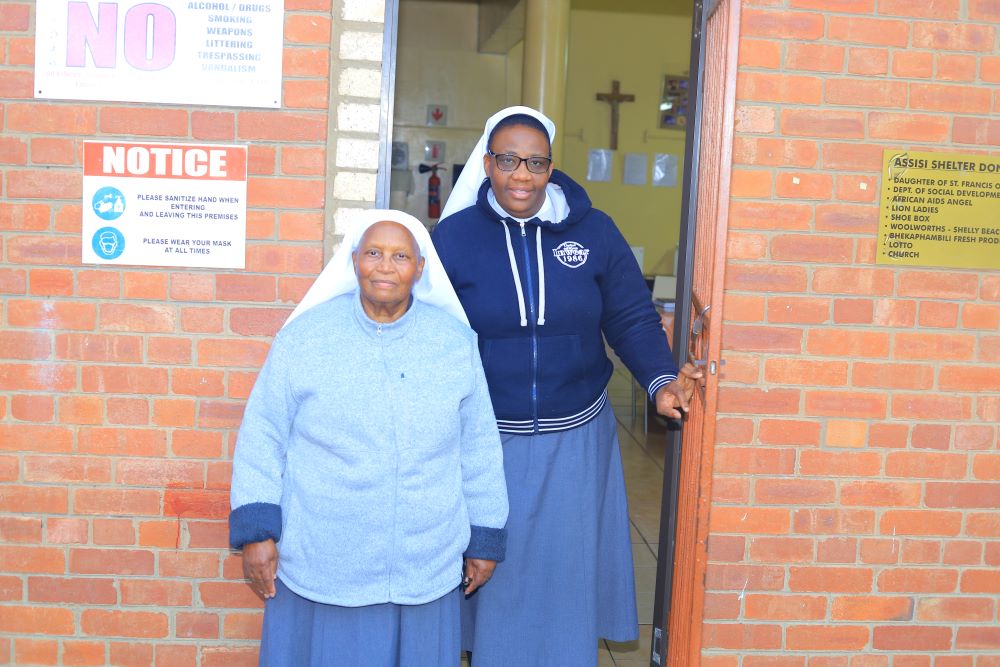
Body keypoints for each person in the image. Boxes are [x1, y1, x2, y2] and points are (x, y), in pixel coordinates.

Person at [432, 106, 701, 666]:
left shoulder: (594, 232)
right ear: (487, 164)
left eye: (534, 162)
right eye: (508, 161)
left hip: (576, 434)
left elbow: (628, 315)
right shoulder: (453, 239)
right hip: (488, 438)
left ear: (551, 168)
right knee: (497, 567)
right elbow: (428, 332)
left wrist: (659, 383)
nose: (521, 175)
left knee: (563, 567)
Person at [229, 209, 509, 667]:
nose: (385, 266)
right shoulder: (305, 339)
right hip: (327, 556)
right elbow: (263, 433)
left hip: (426, 557)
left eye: (401, 256)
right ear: (354, 260)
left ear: (420, 268)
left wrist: (484, 537)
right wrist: (257, 532)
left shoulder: (454, 343)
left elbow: (478, 446)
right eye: (374, 253)